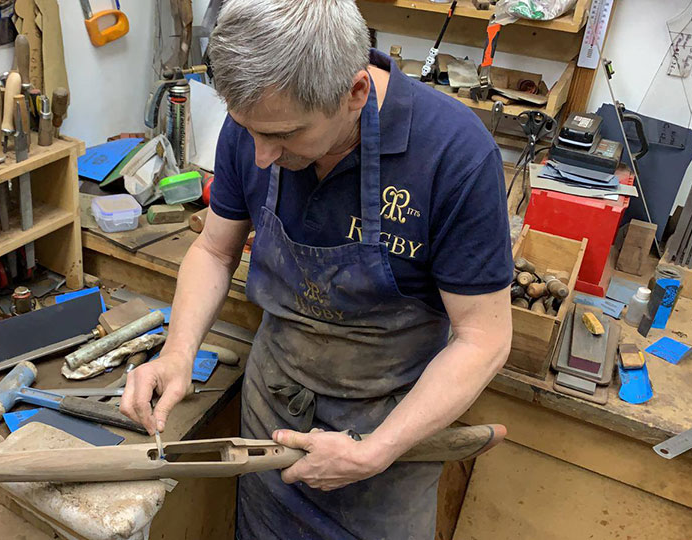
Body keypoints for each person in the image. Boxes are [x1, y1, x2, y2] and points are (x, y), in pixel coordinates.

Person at [121, 1, 514, 538]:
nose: (259, 155)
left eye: (284, 136)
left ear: (354, 94)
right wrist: (176, 352)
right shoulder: (257, 120)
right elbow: (214, 251)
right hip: (269, 423)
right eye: (247, 130)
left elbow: (483, 338)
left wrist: (376, 449)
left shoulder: (456, 155)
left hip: (385, 439)